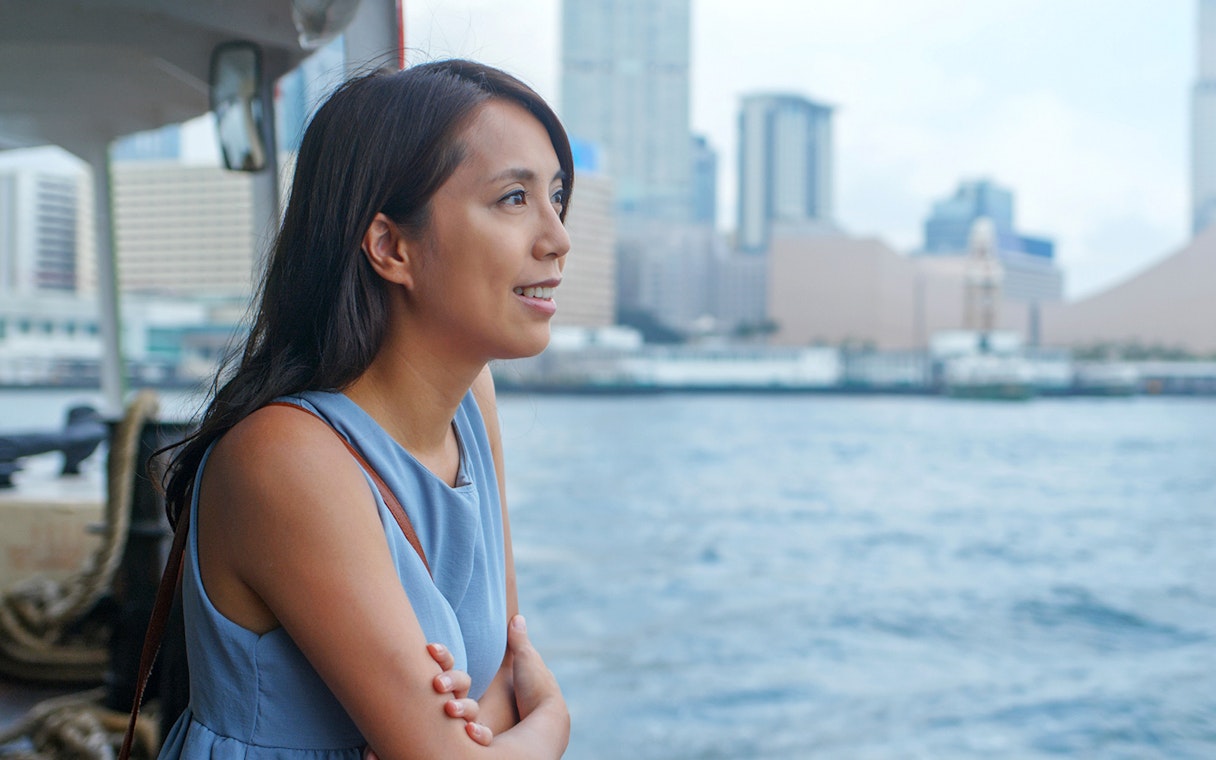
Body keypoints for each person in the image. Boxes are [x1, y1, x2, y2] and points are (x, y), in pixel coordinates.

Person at [156, 59, 572, 759]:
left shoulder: (471, 399)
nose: (557, 238)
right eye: (513, 199)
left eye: (557, 197)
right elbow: (489, 726)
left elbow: (500, 679)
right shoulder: (285, 459)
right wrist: (555, 719)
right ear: (390, 246)